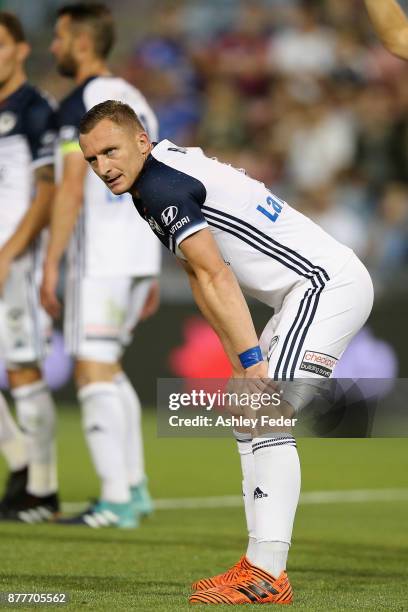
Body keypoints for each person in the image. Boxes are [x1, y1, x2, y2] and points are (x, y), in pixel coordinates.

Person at [77, 100, 374, 604]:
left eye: (111, 151)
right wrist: (240, 361)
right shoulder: (159, 177)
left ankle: (268, 575)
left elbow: (218, 274)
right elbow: (199, 275)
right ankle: (257, 564)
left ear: (141, 141)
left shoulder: (160, 185)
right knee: (248, 413)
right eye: (92, 160)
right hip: (303, 291)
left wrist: (255, 363)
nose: (104, 167)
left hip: (325, 286)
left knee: (266, 412)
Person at [40, 3, 161, 528]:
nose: (54, 47)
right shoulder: (134, 101)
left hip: (102, 256)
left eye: (60, 38)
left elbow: (72, 183)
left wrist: (50, 263)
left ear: (82, 43)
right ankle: (134, 488)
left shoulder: (84, 103)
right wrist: (155, 260)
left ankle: (114, 499)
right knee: (108, 368)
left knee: (91, 370)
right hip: (139, 250)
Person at [0, 12, 59, 522]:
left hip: (15, 260)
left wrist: (9, 251)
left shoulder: (37, 109)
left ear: (20, 49)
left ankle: (42, 490)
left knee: (22, 367)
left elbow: (48, 191)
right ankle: (20, 463)